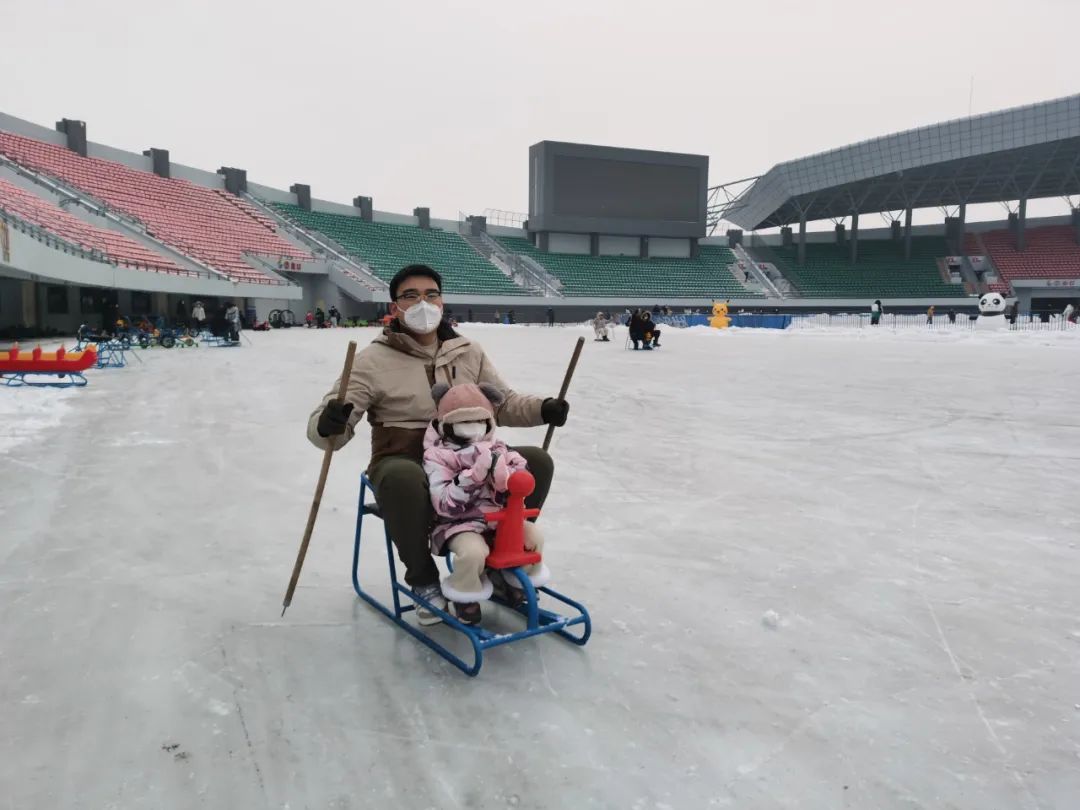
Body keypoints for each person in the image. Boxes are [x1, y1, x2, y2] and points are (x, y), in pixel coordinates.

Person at [307, 264, 569, 625]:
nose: (422, 303)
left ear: (442, 302)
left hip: (467, 454)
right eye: (410, 296)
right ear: (395, 306)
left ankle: (499, 556)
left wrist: (543, 408)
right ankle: (423, 579)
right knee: (402, 477)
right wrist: (329, 423)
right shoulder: (372, 360)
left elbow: (503, 403)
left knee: (536, 461)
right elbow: (333, 428)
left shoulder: (467, 352)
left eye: (431, 294)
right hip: (402, 456)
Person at [423, 382, 547, 625]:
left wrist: (507, 480)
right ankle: (465, 594)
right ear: (447, 425)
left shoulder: (497, 447)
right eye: (465, 423)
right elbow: (444, 503)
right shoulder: (437, 456)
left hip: (500, 521)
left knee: (533, 538)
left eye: (480, 422)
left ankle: (513, 579)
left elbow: (519, 470)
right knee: (473, 553)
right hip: (459, 524)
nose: (475, 430)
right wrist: (472, 478)